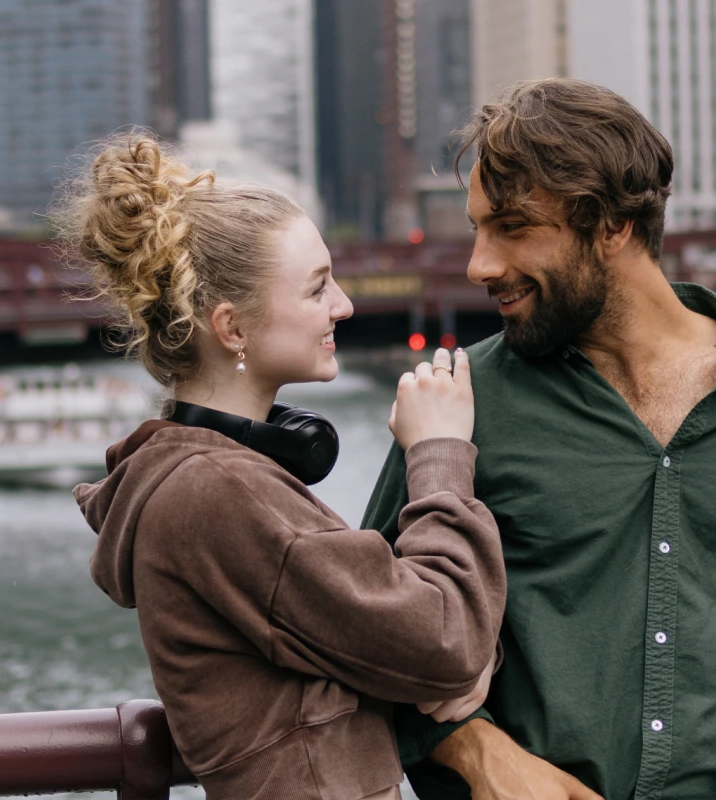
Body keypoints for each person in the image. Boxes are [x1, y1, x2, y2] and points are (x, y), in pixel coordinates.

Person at [360, 78, 716, 800]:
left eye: (513, 228)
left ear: (612, 226)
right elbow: (370, 625)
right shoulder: (457, 401)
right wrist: (477, 751)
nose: (478, 265)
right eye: (478, 228)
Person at [62, 135, 507, 800]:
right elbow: (443, 639)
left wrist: (442, 666)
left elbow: (398, 646)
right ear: (232, 329)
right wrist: (437, 452)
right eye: (317, 288)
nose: (345, 305)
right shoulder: (218, 494)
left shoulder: (214, 478)